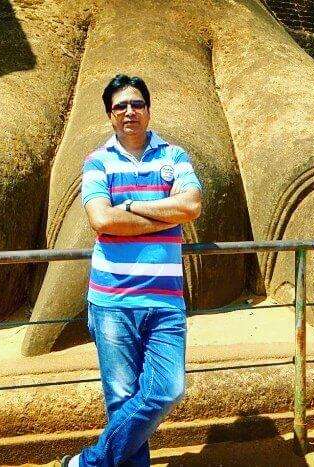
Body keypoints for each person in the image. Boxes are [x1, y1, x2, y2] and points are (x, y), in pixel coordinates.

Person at [61, 74, 202, 467]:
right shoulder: (96, 161)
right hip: (112, 301)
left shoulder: (174, 156)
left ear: (148, 109)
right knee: (122, 399)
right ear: (110, 115)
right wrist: (162, 214)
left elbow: (191, 207)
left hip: (165, 299)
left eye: (136, 104)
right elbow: (100, 220)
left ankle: (86, 464)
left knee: (167, 389)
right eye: (120, 106)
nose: (129, 112)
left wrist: (129, 209)